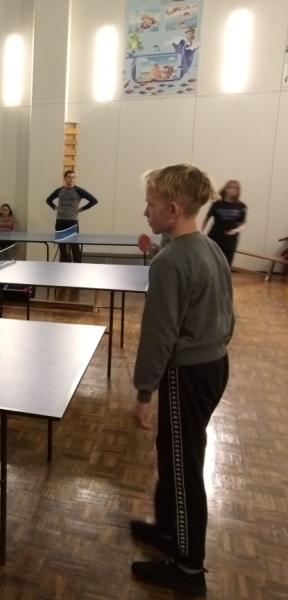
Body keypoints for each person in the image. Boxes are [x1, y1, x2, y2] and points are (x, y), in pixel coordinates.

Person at [130, 164, 234, 596]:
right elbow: (227, 311)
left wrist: (144, 391)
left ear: (172, 209)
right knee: (174, 454)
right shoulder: (208, 247)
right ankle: (168, 530)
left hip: (186, 374)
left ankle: (189, 569)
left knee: (183, 465)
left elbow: (158, 335)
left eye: (150, 204)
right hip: (214, 363)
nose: (146, 211)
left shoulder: (171, 261)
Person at [45, 170, 98, 263]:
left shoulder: (79, 190)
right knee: (62, 245)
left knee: (74, 245)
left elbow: (94, 200)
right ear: (64, 178)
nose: (71, 179)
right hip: (60, 220)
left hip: (72, 221)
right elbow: (48, 200)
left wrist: (81, 209)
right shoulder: (59, 190)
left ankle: (77, 264)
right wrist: (55, 207)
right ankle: (64, 263)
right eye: (69, 177)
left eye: (73, 177)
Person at [202, 179, 246, 266]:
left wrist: (235, 231)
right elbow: (206, 218)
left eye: (235, 189)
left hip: (230, 240)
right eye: (230, 188)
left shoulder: (241, 206)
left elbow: (242, 224)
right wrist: (201, 232)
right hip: (215, 237)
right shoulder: (217, 204)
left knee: (226, 265)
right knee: (211, 263)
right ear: (226, 189)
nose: (233, 190)